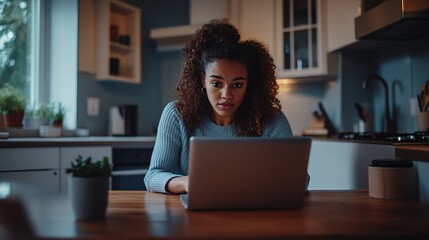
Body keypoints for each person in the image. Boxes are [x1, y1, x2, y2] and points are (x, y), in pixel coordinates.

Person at [144, 19, 300, 194]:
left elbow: (300, 179)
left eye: (238, 85)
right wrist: (187, 183)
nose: (227, 95)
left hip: (255, 214)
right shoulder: (176, 114)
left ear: (249, 84)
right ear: (203, 80)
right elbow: (153, 177)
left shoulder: (271, 119)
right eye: (217, 84)